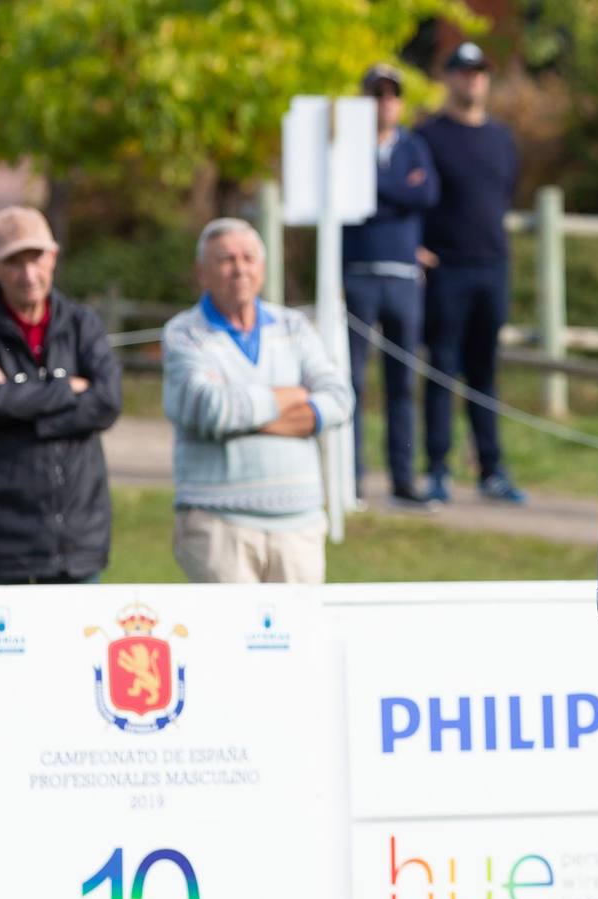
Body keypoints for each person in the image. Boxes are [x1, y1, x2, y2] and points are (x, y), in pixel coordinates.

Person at [160, 219, 353, 583]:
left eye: (248, 258)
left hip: (300, 526)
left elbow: (339, 400)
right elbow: (211, 409)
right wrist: (293, 397)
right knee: (226, 640)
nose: (239, 269)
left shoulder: (294, 326)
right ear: (203, 272)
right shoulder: (184, 334)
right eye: (226, 259)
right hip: (218, 527)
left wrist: (244, 412)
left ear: (262, 268)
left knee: (300, 639)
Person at [0, 206, 123, 585]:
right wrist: (68, 389)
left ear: (54, 257)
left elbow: (107, 402)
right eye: (13, 262)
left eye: (36, 258)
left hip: (78, 546)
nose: (29, 275)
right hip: (0, 549)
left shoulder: (82, 324)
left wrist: (18, 398)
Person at [414, 41, 526, 505]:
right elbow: (413, 197)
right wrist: (415, 248)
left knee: (484, 372)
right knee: (442, 368)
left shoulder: (501, 139)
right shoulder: (428, 136)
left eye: (479, 70)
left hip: (491, 266)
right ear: (450, 77)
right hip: (445, 269)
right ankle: (438, 469)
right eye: (463, 70)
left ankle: (491, 469)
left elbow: (504, 194)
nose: (472, 78)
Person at [344, 62, 441, 507]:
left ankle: (403, 482)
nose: (384, 102)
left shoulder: (414, 146)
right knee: (351, 384)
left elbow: (426, 195)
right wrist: (395, 190)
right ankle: (351, 480)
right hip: (358, 276)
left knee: (402, 384)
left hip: (403, 279)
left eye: (391, 94)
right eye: (376, 94)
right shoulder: (345, 146)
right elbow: (351, 199)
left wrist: (377, 189)